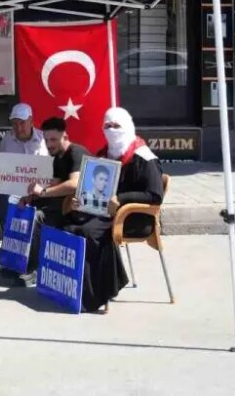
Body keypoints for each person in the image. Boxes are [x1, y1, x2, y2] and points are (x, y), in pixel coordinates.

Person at [65, 107, 164, 314]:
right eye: (107, 126)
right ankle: (79, 288)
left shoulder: (144, 158)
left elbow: (155, 195)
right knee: (70, 224)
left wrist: (121, 199)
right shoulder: (103, 156)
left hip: (133, 217)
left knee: (89, 231)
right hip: (105, 212)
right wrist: (79, 200)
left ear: (127, 127)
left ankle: (96, 295)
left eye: (117, 126)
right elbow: (93, 188)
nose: (111, 130)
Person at [14, 117, 89, 286]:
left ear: (65, 136)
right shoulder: (57, 157)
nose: (49, 144)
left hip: (82, 210)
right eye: (46, 140)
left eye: (53, 140)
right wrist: (30, 197)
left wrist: (43, 192)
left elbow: (74, 184)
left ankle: (34, 270)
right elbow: (54, 184)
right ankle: (19, 263)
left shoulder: (76, 153)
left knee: (38, 217)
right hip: (65, 205)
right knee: (27, 209)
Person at [0, 102, 49, 228]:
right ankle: (10, 236)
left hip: (38, 192)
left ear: (31, 121)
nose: (18, 128)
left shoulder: (44, 139)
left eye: (22, 123)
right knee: (2, 204)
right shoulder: (7, 139)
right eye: (14, 124)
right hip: (12, 190)